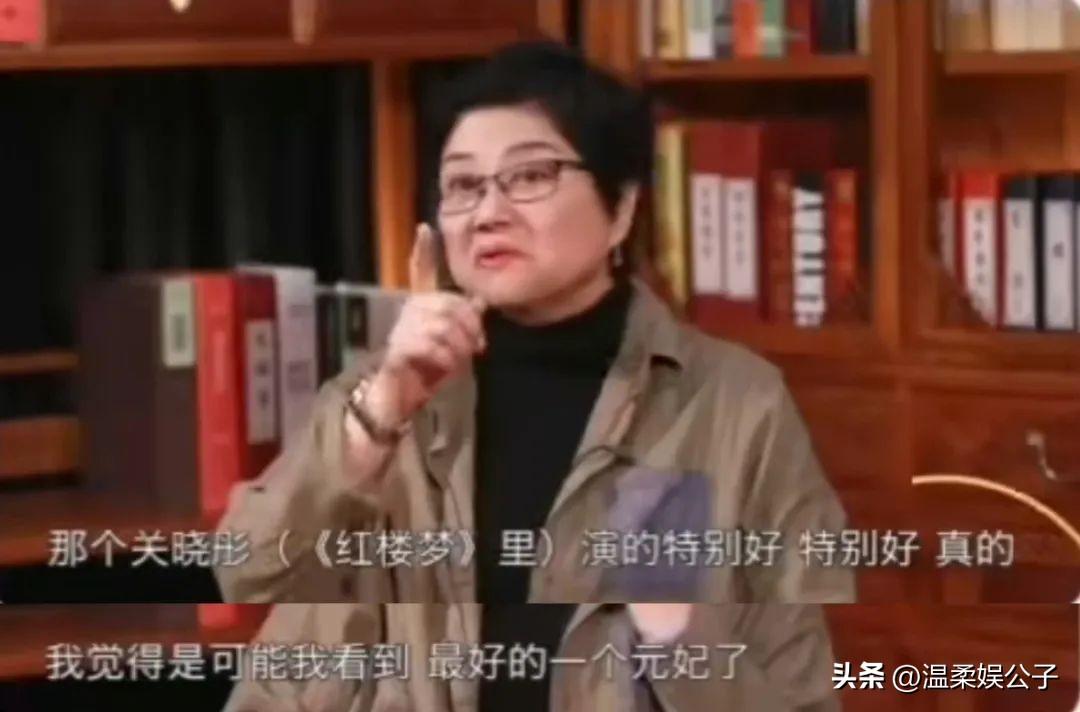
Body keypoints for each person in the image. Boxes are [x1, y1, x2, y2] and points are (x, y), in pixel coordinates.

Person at [216, 40, 854, 711]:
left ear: (621, 208)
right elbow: (244, 572)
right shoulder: (383, 394)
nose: (488, 211)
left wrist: (677, 635)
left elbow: (802, 696)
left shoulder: (736, 405)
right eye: (463, 185)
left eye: (529, 176)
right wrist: (379, 415)